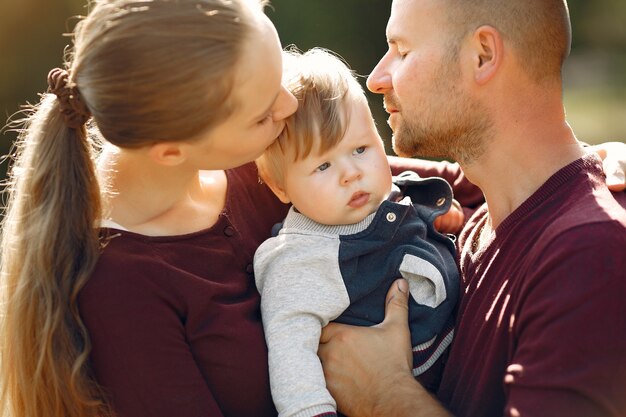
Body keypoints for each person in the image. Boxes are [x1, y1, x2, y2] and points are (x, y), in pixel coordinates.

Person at [317, 1, 626, 417]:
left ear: (482, 55)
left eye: (402, 51)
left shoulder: (590, 253)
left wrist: (386, 395)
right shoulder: (481, 213)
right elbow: (311, 164)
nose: (376, 79)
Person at [254, 48, 464, 417]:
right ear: (280, 188)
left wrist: (438, 215)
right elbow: (291, 357)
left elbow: (405, 194)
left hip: (454, 375)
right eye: (322, 165)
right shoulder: (302, 260)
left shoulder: (383, 195)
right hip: (396, 397)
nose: (351, 172)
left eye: (361, 148)